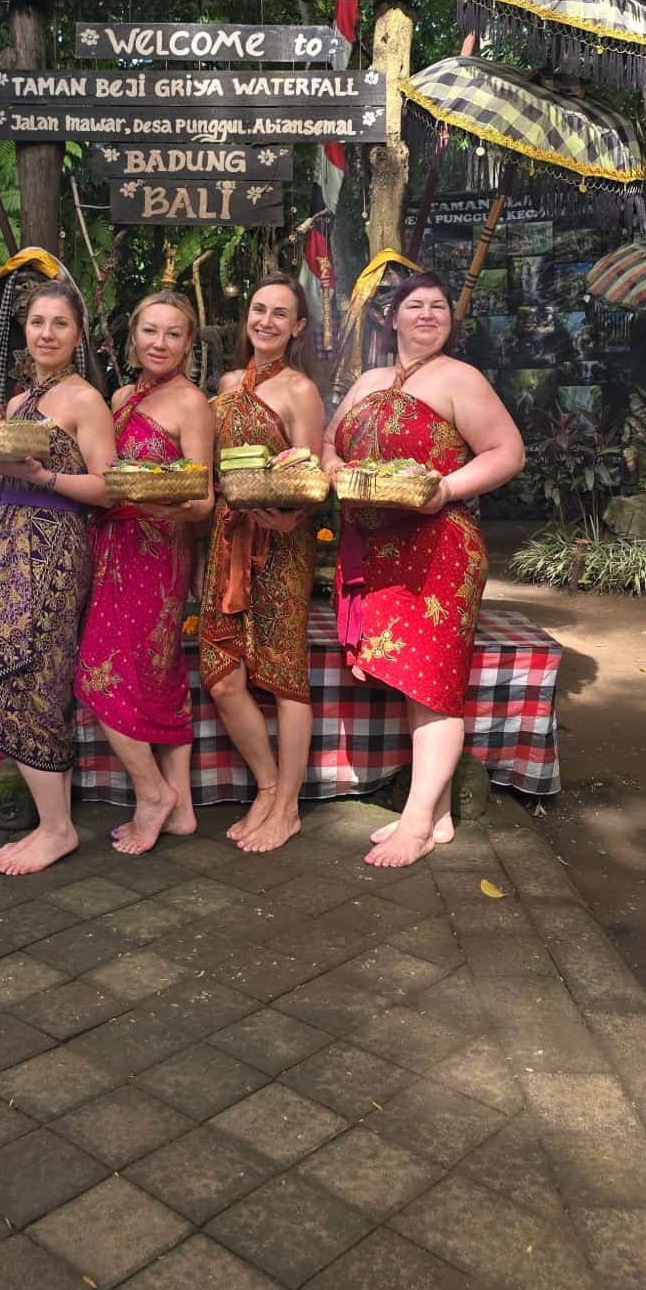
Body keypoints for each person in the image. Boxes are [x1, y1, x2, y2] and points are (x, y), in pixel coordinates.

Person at [324, 271, 524, 869]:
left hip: (439, 544)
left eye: (439, 306)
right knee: (409, 680)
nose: (428, 315)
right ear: (393, 318)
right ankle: (434, 810)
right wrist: (336, 470)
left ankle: (413, 822)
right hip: (375, 545)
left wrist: (444, 488)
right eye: (415, 305)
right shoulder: (369, 380)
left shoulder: (461, 379)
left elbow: (507, 452)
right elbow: (332, 444)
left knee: (432, 685)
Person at [0, 279, 115, 876]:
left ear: (77, 334)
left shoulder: (85, 400)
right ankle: (48, 820)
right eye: (37, 322)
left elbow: (108, 488)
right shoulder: (14, 403)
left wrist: (43, 475)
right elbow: (4, 484)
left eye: (59, 323)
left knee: (38, 673)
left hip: (54, 548)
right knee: (7, 671)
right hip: (8, 543)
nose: (47, 333)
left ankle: (57, 829)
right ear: (24, 330)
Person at [75, 290, 215, 855]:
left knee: (100, 673)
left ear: (188, 343)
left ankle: (151, 792)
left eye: (173, 333)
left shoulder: (192, 403)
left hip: (157, 550)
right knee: (157, 676)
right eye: (150, 331)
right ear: (133, 336)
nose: (160, 343)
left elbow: (203, 500)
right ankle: (178, 808)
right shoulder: (120, 395)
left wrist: (147, 506)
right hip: (111, 544)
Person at [200, 273, 325, 852]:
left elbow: (314, 475)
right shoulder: (225, 386)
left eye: (281, 313)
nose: (266, 321)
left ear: (297, 327)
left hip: (281, 544)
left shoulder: (301, 390)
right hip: (228, 541)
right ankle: (268, 786)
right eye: (258, 309)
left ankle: (289, 806)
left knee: (283, 677)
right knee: (223, 677)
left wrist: (291, 517)